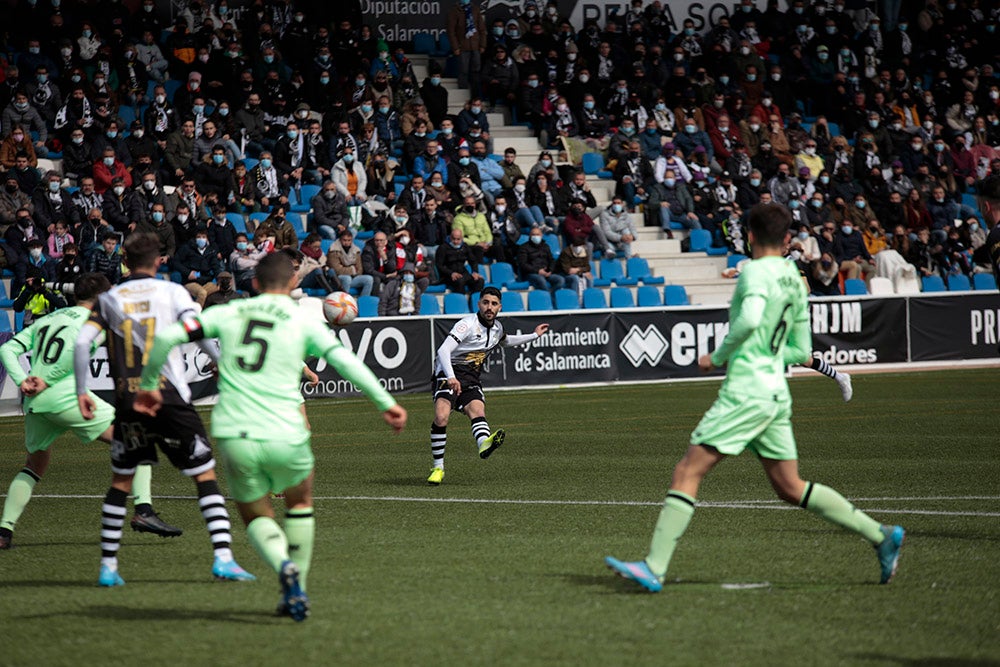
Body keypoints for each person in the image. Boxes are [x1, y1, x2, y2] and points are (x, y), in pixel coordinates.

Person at [604, 204, 905, 592]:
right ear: (786, 240)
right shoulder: (795, 279)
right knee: (790, 487)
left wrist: (718, 356)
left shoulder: (754, 272)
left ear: (748, 235)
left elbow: (747, 320)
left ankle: (654, 567)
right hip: (776, 393)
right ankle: (881, 535)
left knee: (687, 472)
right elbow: (800, 349)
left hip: (747, 390)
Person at [133, 252, 407, 621]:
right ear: (293, 283)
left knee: (255, 513)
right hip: (286, 432)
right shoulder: (302, 320)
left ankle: (282, 566)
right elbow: (344, 361)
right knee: (299, 503)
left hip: (235, 432)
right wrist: (385, 402)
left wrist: (150, 385)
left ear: (256, 284)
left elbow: (168, 337)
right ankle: (299, 585)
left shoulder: (227, 313)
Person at [73, 234, 255, 586]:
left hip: (129, 400)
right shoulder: (172, 293)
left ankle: (108, 568)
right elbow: (196, 331)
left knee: (121, 482)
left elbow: (82, 342)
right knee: (204, 475)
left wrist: (82, 391)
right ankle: (223, 558)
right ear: (159, 261)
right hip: (169, 396)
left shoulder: (110, 298)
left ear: (125, 262)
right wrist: (221, 363)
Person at [0, 273, 179, 549]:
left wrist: (23, 379)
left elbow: (8, 349)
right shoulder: (93, 322)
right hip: (65, 396)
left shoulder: (49, 318)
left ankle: (4, 531)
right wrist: (48, 380)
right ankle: (144, 511)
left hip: (35, 403)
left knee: (34, 467)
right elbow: (78, 352)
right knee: (136, 438)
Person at [428, 286, 548, 485]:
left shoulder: (498, 328)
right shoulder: (466, 325)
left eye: (493, 304)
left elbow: (506, 341)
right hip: (447, 374)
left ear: (499, 307)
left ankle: (484, 443)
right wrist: (450, 376)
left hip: (471, 378)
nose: (489, 307)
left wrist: (534, 335)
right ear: (479, 304)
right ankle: (438, 467)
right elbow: (443, 350)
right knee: (441, 417)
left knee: (477, 410)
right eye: (485, 303)